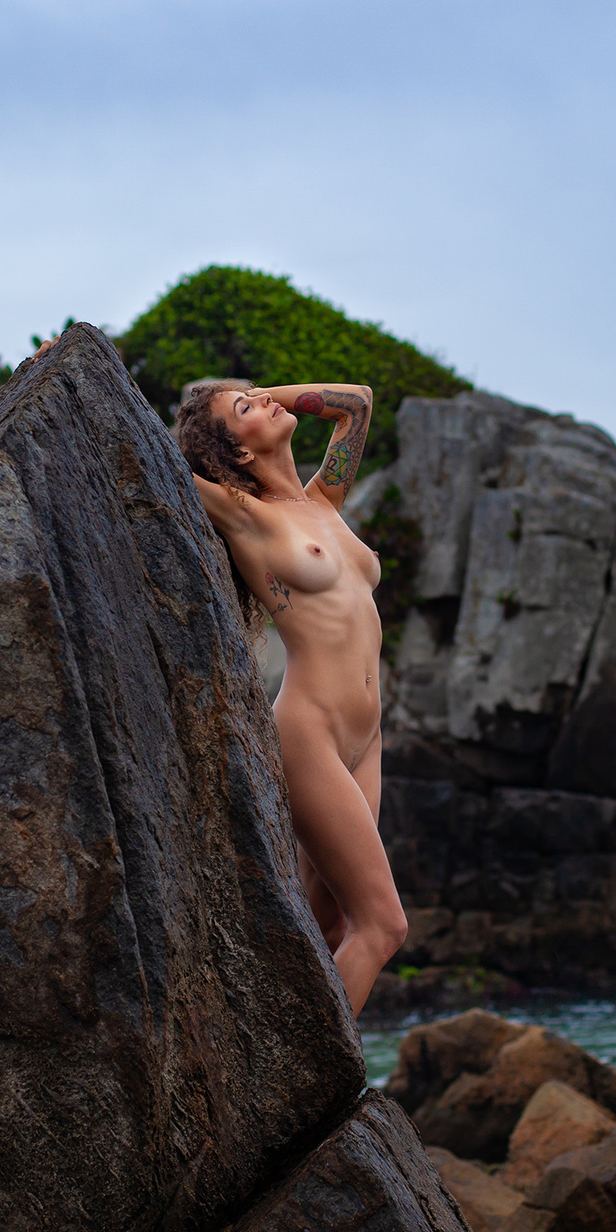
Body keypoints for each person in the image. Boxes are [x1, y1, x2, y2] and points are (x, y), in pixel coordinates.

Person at [173, 380, 408, 1016]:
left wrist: (251, 398)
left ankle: (267, 1055)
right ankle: (328, 1097)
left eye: (258, 396)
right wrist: (67, 370)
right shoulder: (242, 514)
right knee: (382, 927)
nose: (266, 403)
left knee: (325, 929)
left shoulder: (324, 502)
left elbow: (356, 402)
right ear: (237, 453)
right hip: (312, 736)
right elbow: (138, 451)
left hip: (367, 739)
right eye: (245, 411)